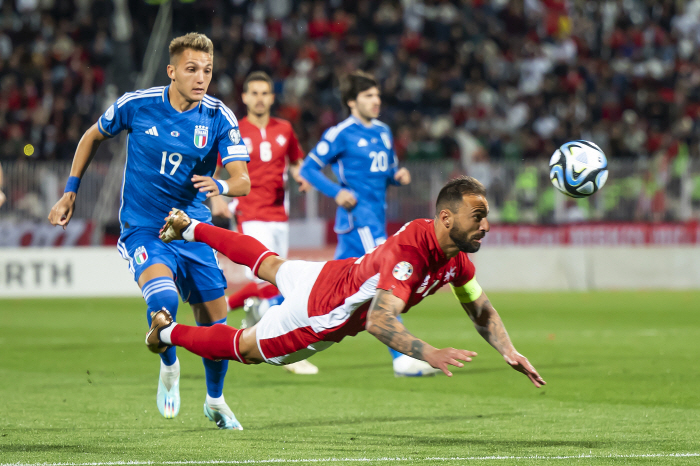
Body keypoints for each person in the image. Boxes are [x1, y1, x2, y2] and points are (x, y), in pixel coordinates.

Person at [147, 176, 545, 429]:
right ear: (445, 218)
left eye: (485, 216)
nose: (486, 225)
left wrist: (509, 350)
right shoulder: (411, 255)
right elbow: (378, 321)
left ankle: (191, 228)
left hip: (332, 275)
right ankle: (165, 332)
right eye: (477, 217)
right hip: (319, 314)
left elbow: (479, 307)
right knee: (245, 348)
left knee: (268, 263)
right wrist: (429, 353)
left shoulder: (453, 259)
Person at [48, 33, 250, 430]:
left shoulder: (218, 116)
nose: (201, 78)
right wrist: (70, 191)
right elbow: (92, 135)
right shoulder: (137, 105)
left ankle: (214, 400)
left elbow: (242, 179)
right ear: (171, 71)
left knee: (218, 329)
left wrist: (222, 186)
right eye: (192, 69)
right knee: (164, 302)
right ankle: (170, 367)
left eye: (207, 70)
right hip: (144, 230)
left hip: (193, 231)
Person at [299, 71, 432, 377]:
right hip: (360, 219)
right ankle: (401, 356)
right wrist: (337, 191)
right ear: (351, 101)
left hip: (373, 218)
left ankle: (274, 307)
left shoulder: (384, 131)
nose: (376, 101)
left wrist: (398, 177)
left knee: (330, 286)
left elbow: (386, 169)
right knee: (386, 278)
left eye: (377, 95)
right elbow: (309, 167)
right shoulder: (340, 133)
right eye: (368, 96)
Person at [209, 71, 317, 375]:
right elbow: (216, 168)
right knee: (266, 281)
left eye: (264, 93)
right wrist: (217, 198)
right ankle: (286, 349)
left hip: (279, 217)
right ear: (244, 98)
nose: (259, 98)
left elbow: (297, 161)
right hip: (248, 214)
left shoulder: (285, 128)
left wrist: (300, 175)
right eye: (253, 93)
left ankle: (229, 310)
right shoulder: (233, 130)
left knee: (274, 282)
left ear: (272, 97)